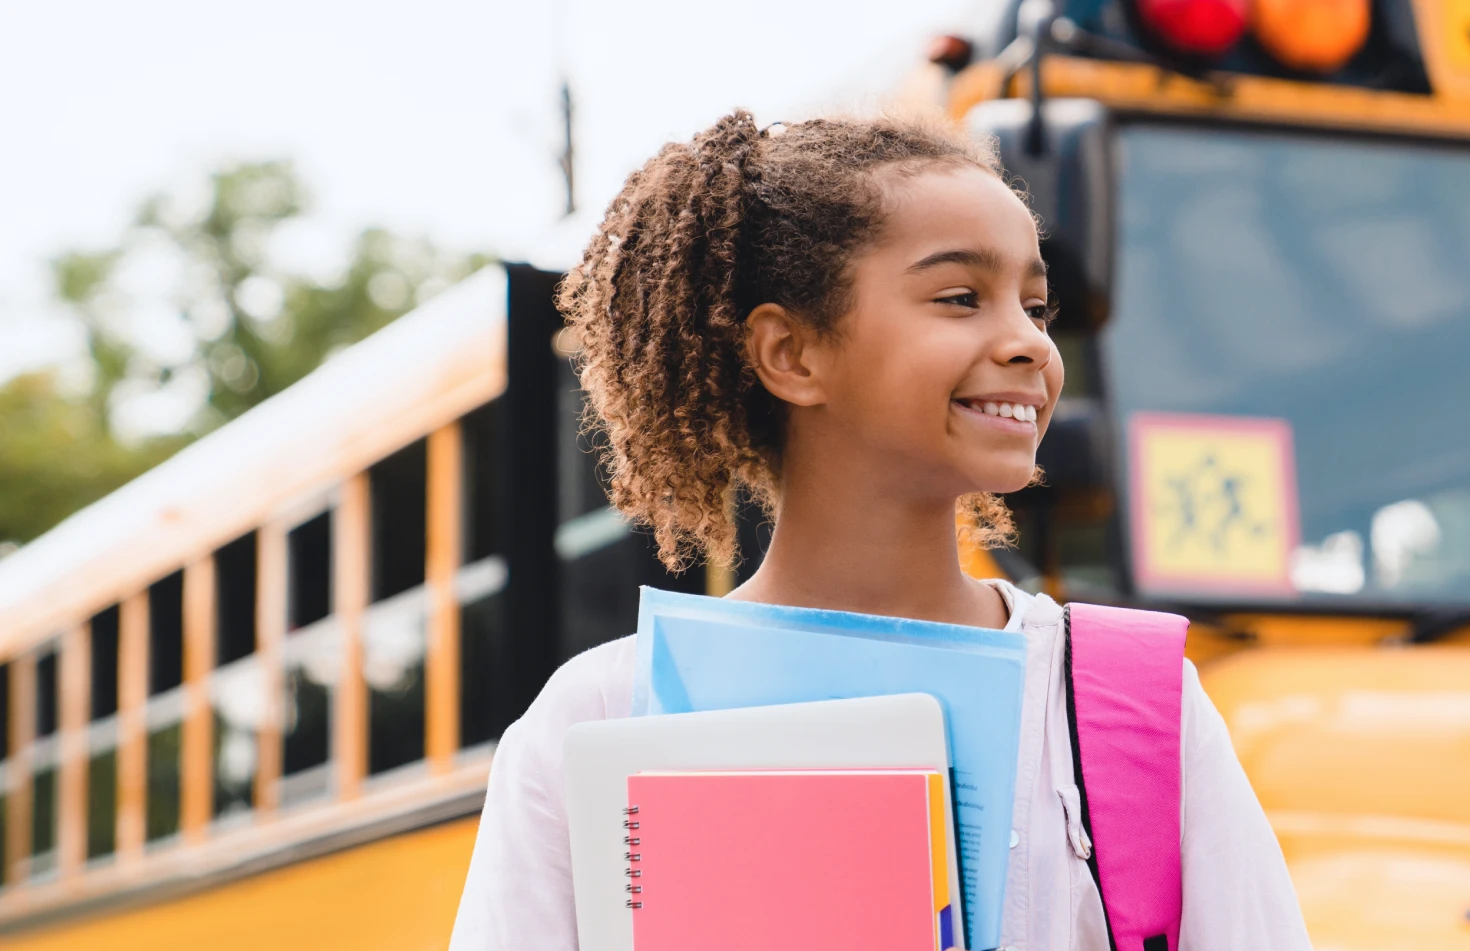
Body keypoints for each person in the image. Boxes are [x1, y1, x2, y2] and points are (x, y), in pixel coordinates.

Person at [446, 110, 1312, 951]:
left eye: (1037, 307)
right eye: (960, 296)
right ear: (792, 354)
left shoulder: (1135, 703)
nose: (1028, 344)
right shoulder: (600, 718)